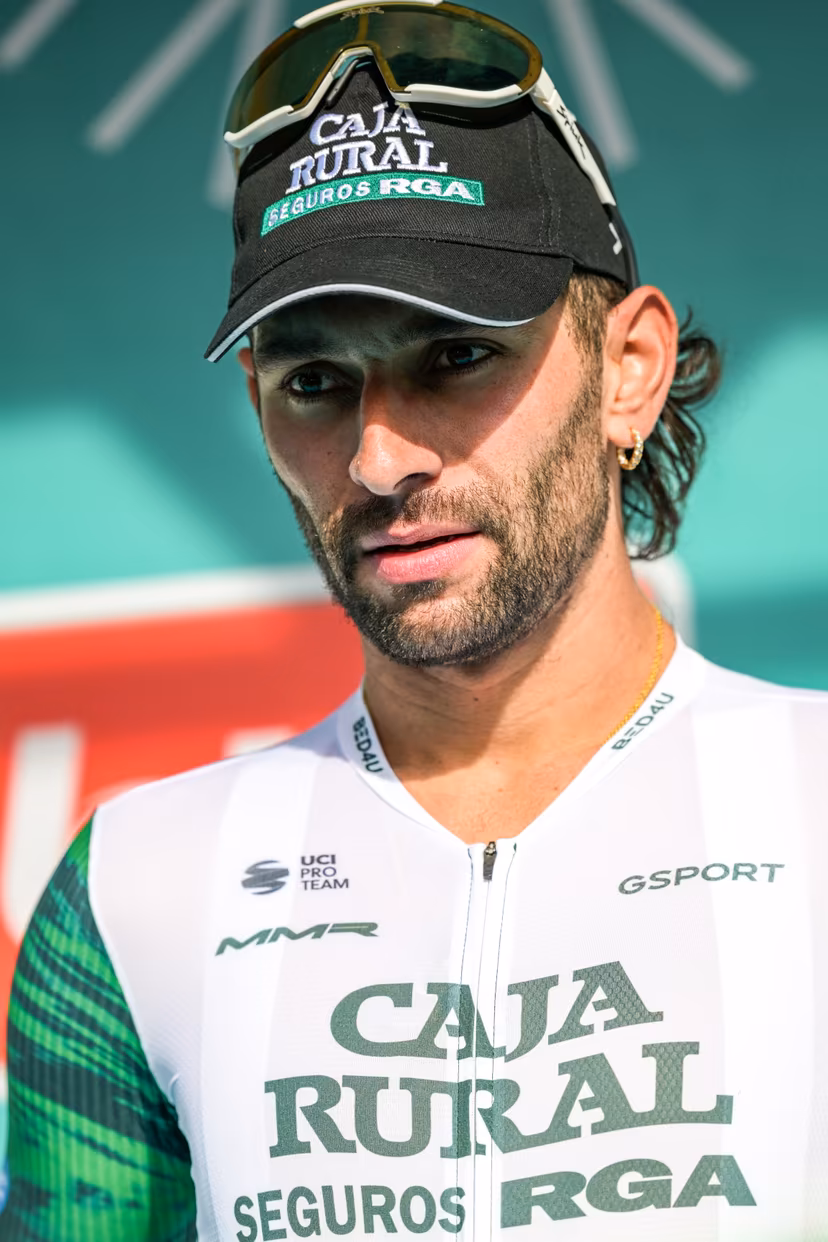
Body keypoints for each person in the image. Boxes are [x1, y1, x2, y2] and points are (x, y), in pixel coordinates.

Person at [3, 2, 827, 1239]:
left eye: (456, 358)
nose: (380, 458)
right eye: (315, 383)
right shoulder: (136, 888)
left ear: (629, 370)